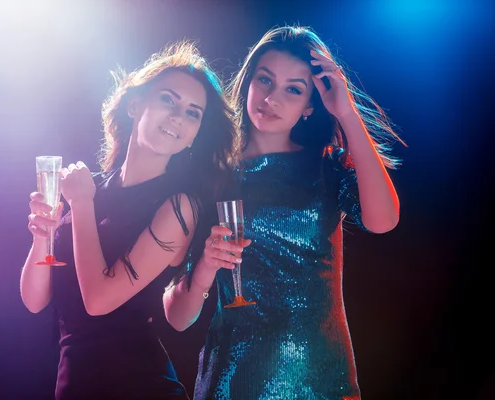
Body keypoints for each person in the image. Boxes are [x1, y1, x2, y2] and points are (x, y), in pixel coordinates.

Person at [164, 25, 405, 400]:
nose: (271, 98)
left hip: (322, 377)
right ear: (248, 82)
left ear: (311, 105)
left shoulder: (326, 168)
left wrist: (346, 111)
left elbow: (384, 220)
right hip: (235, 381)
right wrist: (205, 270)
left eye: (293, 89)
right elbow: (178, 318)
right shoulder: (210, 176)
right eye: (265, 80)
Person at [20, 40, 240, 400]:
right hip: (74, 385)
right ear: (136, 105)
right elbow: (35, 300)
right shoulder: (91, 189)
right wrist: (41, 234)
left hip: (137, 385)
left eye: (192, 113)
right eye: (168, 99)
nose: (177, 117)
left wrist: (81, 204)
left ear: (195, 136)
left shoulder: (179, 206)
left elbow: (99, 301)